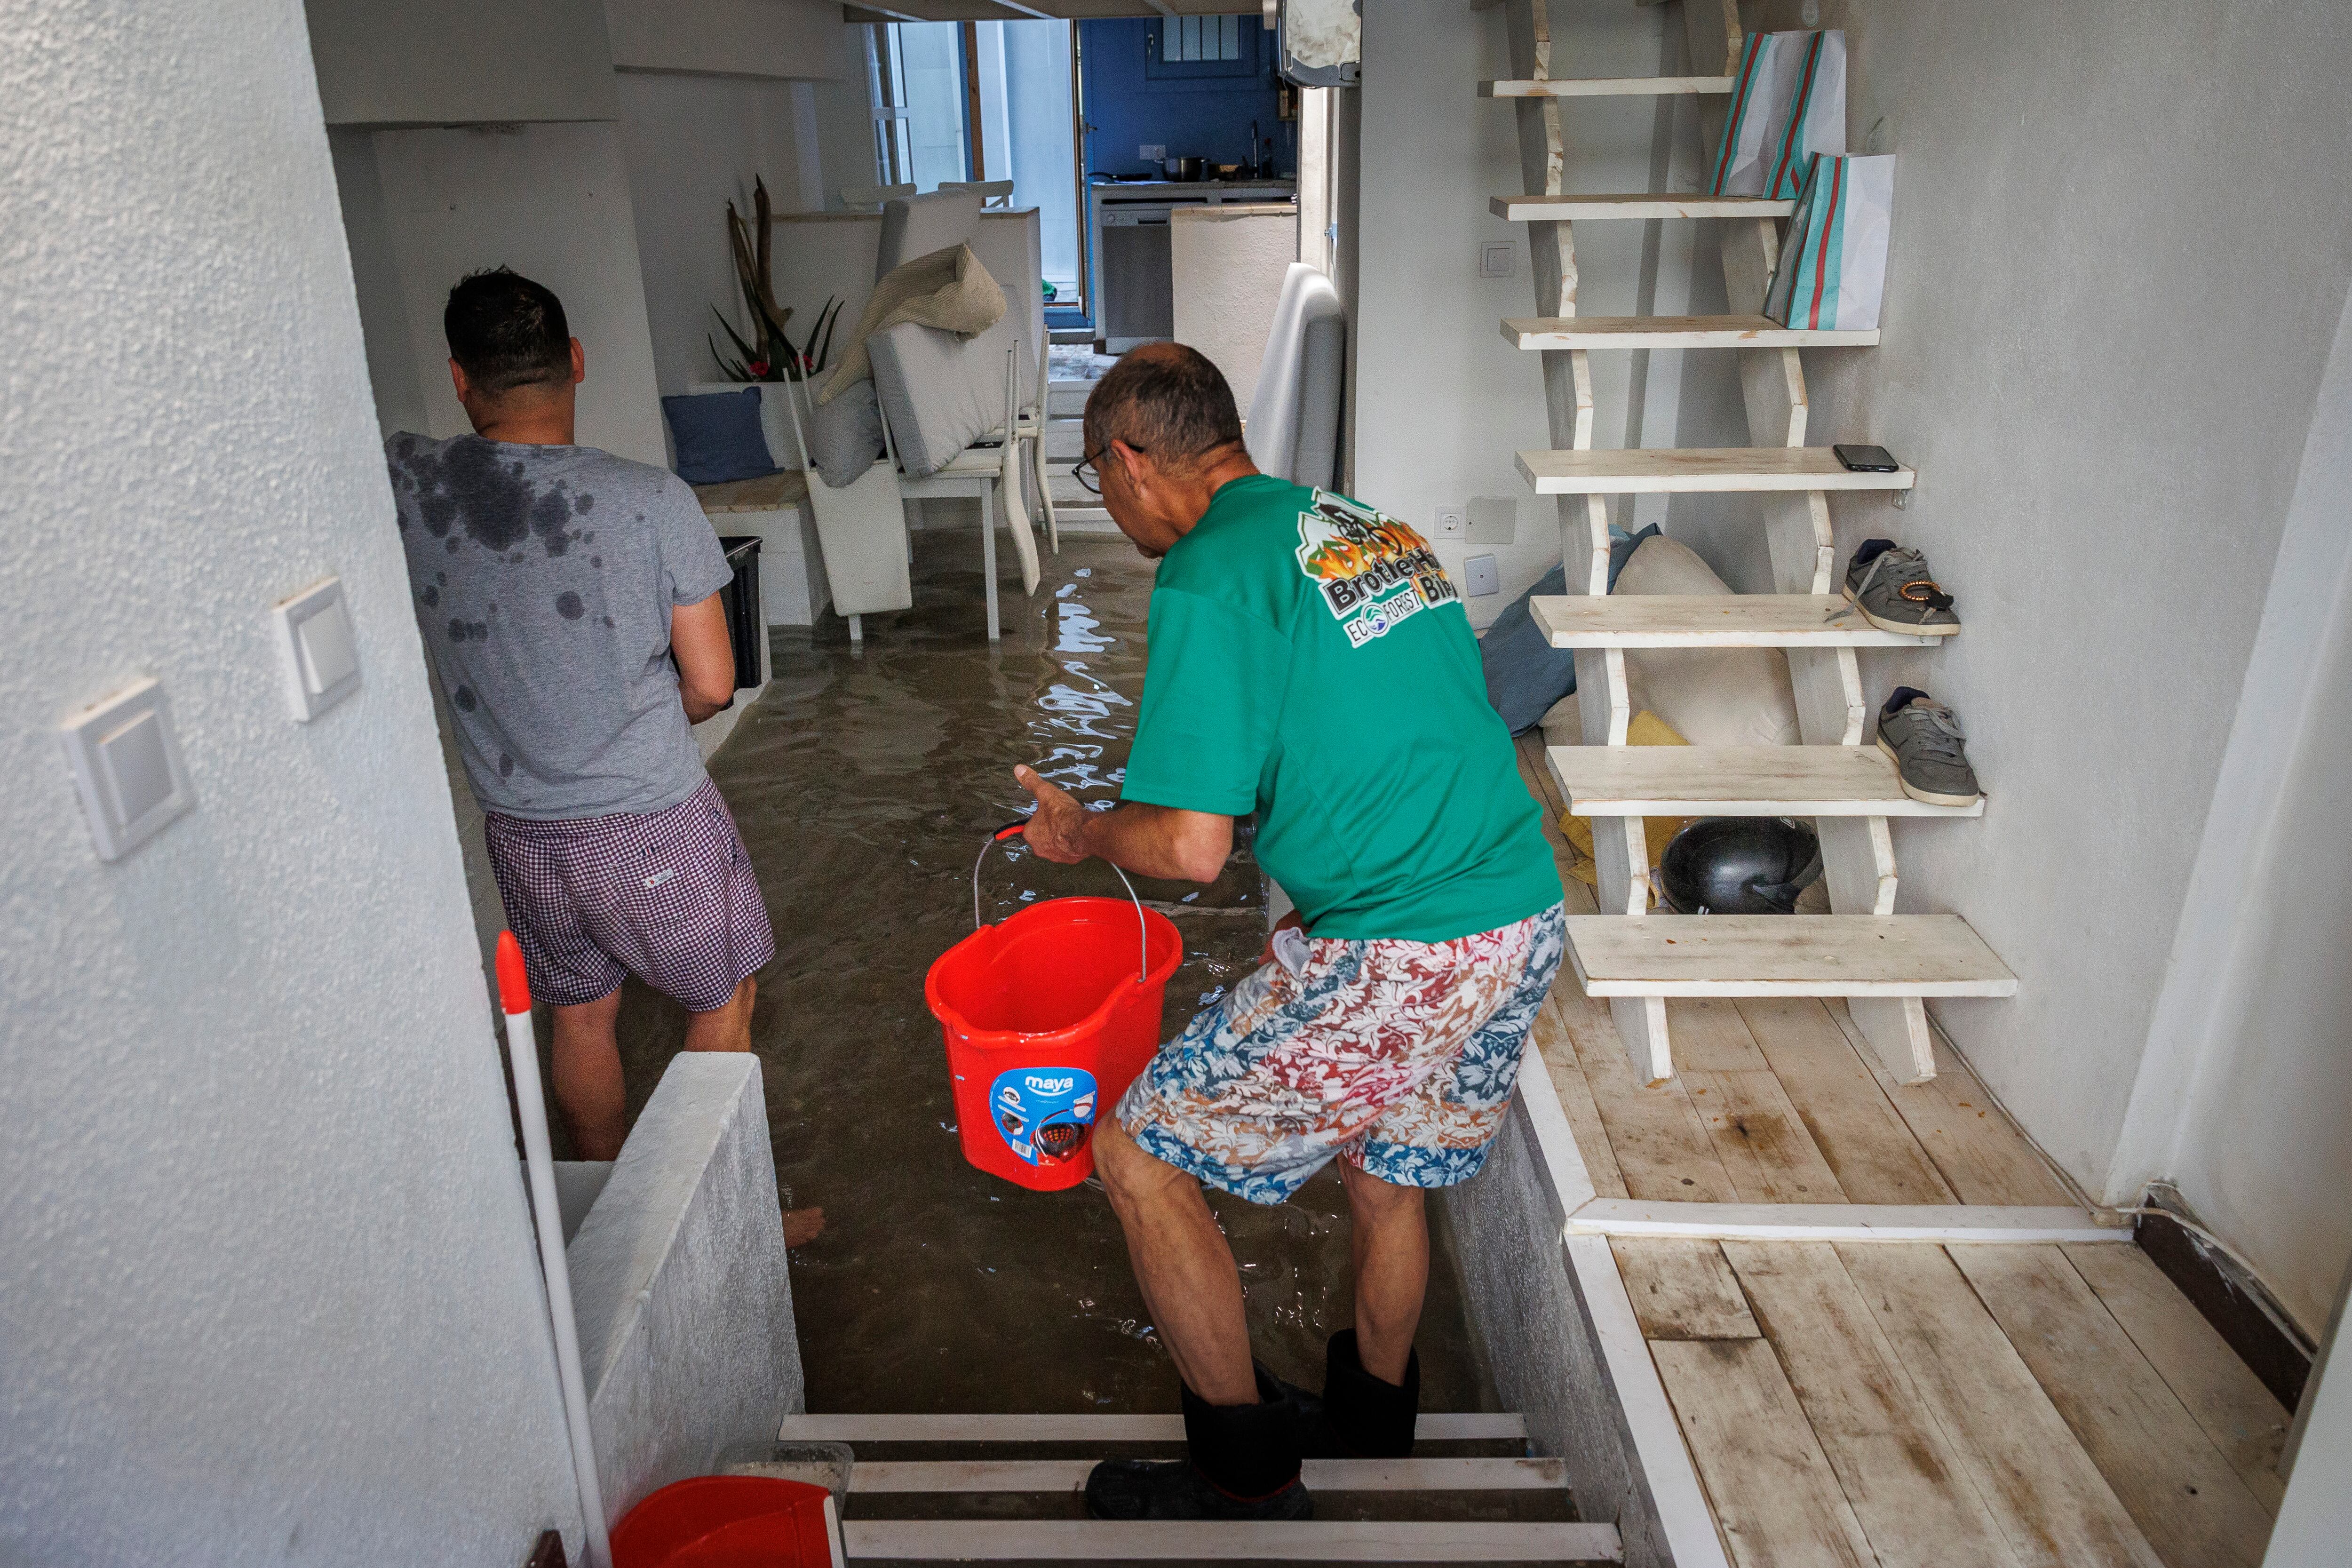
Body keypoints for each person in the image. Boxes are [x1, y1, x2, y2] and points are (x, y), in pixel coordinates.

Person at [1014, 343, 1564, 1520]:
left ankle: (1244, 1473)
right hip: (1515, 910)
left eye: (1096, 481)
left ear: (1127, 460)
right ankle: (1373, 1423)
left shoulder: (1209, 570)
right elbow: (1387, 734)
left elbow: (1191, 848)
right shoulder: (1364, 527)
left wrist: (1080, 835)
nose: (1109, 509)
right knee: (1387, 1170)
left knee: (1136, 1156)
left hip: (1404, 942)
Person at [385, 268, 821, 1244]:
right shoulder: (647, 500)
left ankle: (612, 1229)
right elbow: (712, 682)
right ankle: (720, 1225)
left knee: (581, 1017)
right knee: (722, 997)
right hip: (649, 820)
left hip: (522, 834)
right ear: (577, 362)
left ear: (460, 379)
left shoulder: (412, 488)